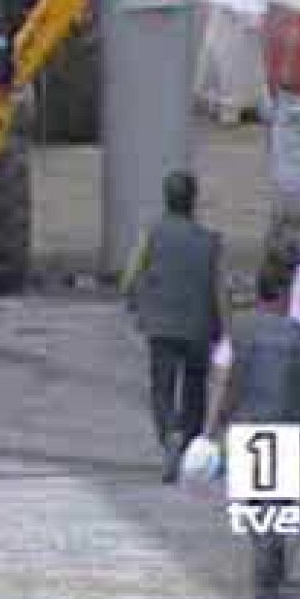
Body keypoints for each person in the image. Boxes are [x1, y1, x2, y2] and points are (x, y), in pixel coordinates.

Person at [202, 259, 300, 599]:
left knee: (251, 497)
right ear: (281, 293)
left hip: (247, 422)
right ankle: (272, 553)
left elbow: (222, 379)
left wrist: (210, 426)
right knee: (279, 494)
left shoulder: (238, 330)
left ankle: (266, 556)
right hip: (287, 420)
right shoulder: (299, 333)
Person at [120, 170, 232, 482]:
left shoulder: (152, 234)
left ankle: (168, 431)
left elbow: (130, 274)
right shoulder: (210, 242)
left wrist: (133, 300)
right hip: (199, 327)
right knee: (195, 390)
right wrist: (225, 330)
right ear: (193, 200)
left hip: (161, 325)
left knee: (162, 387)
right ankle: (186, 442)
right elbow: (220, 289)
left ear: (166, 199)